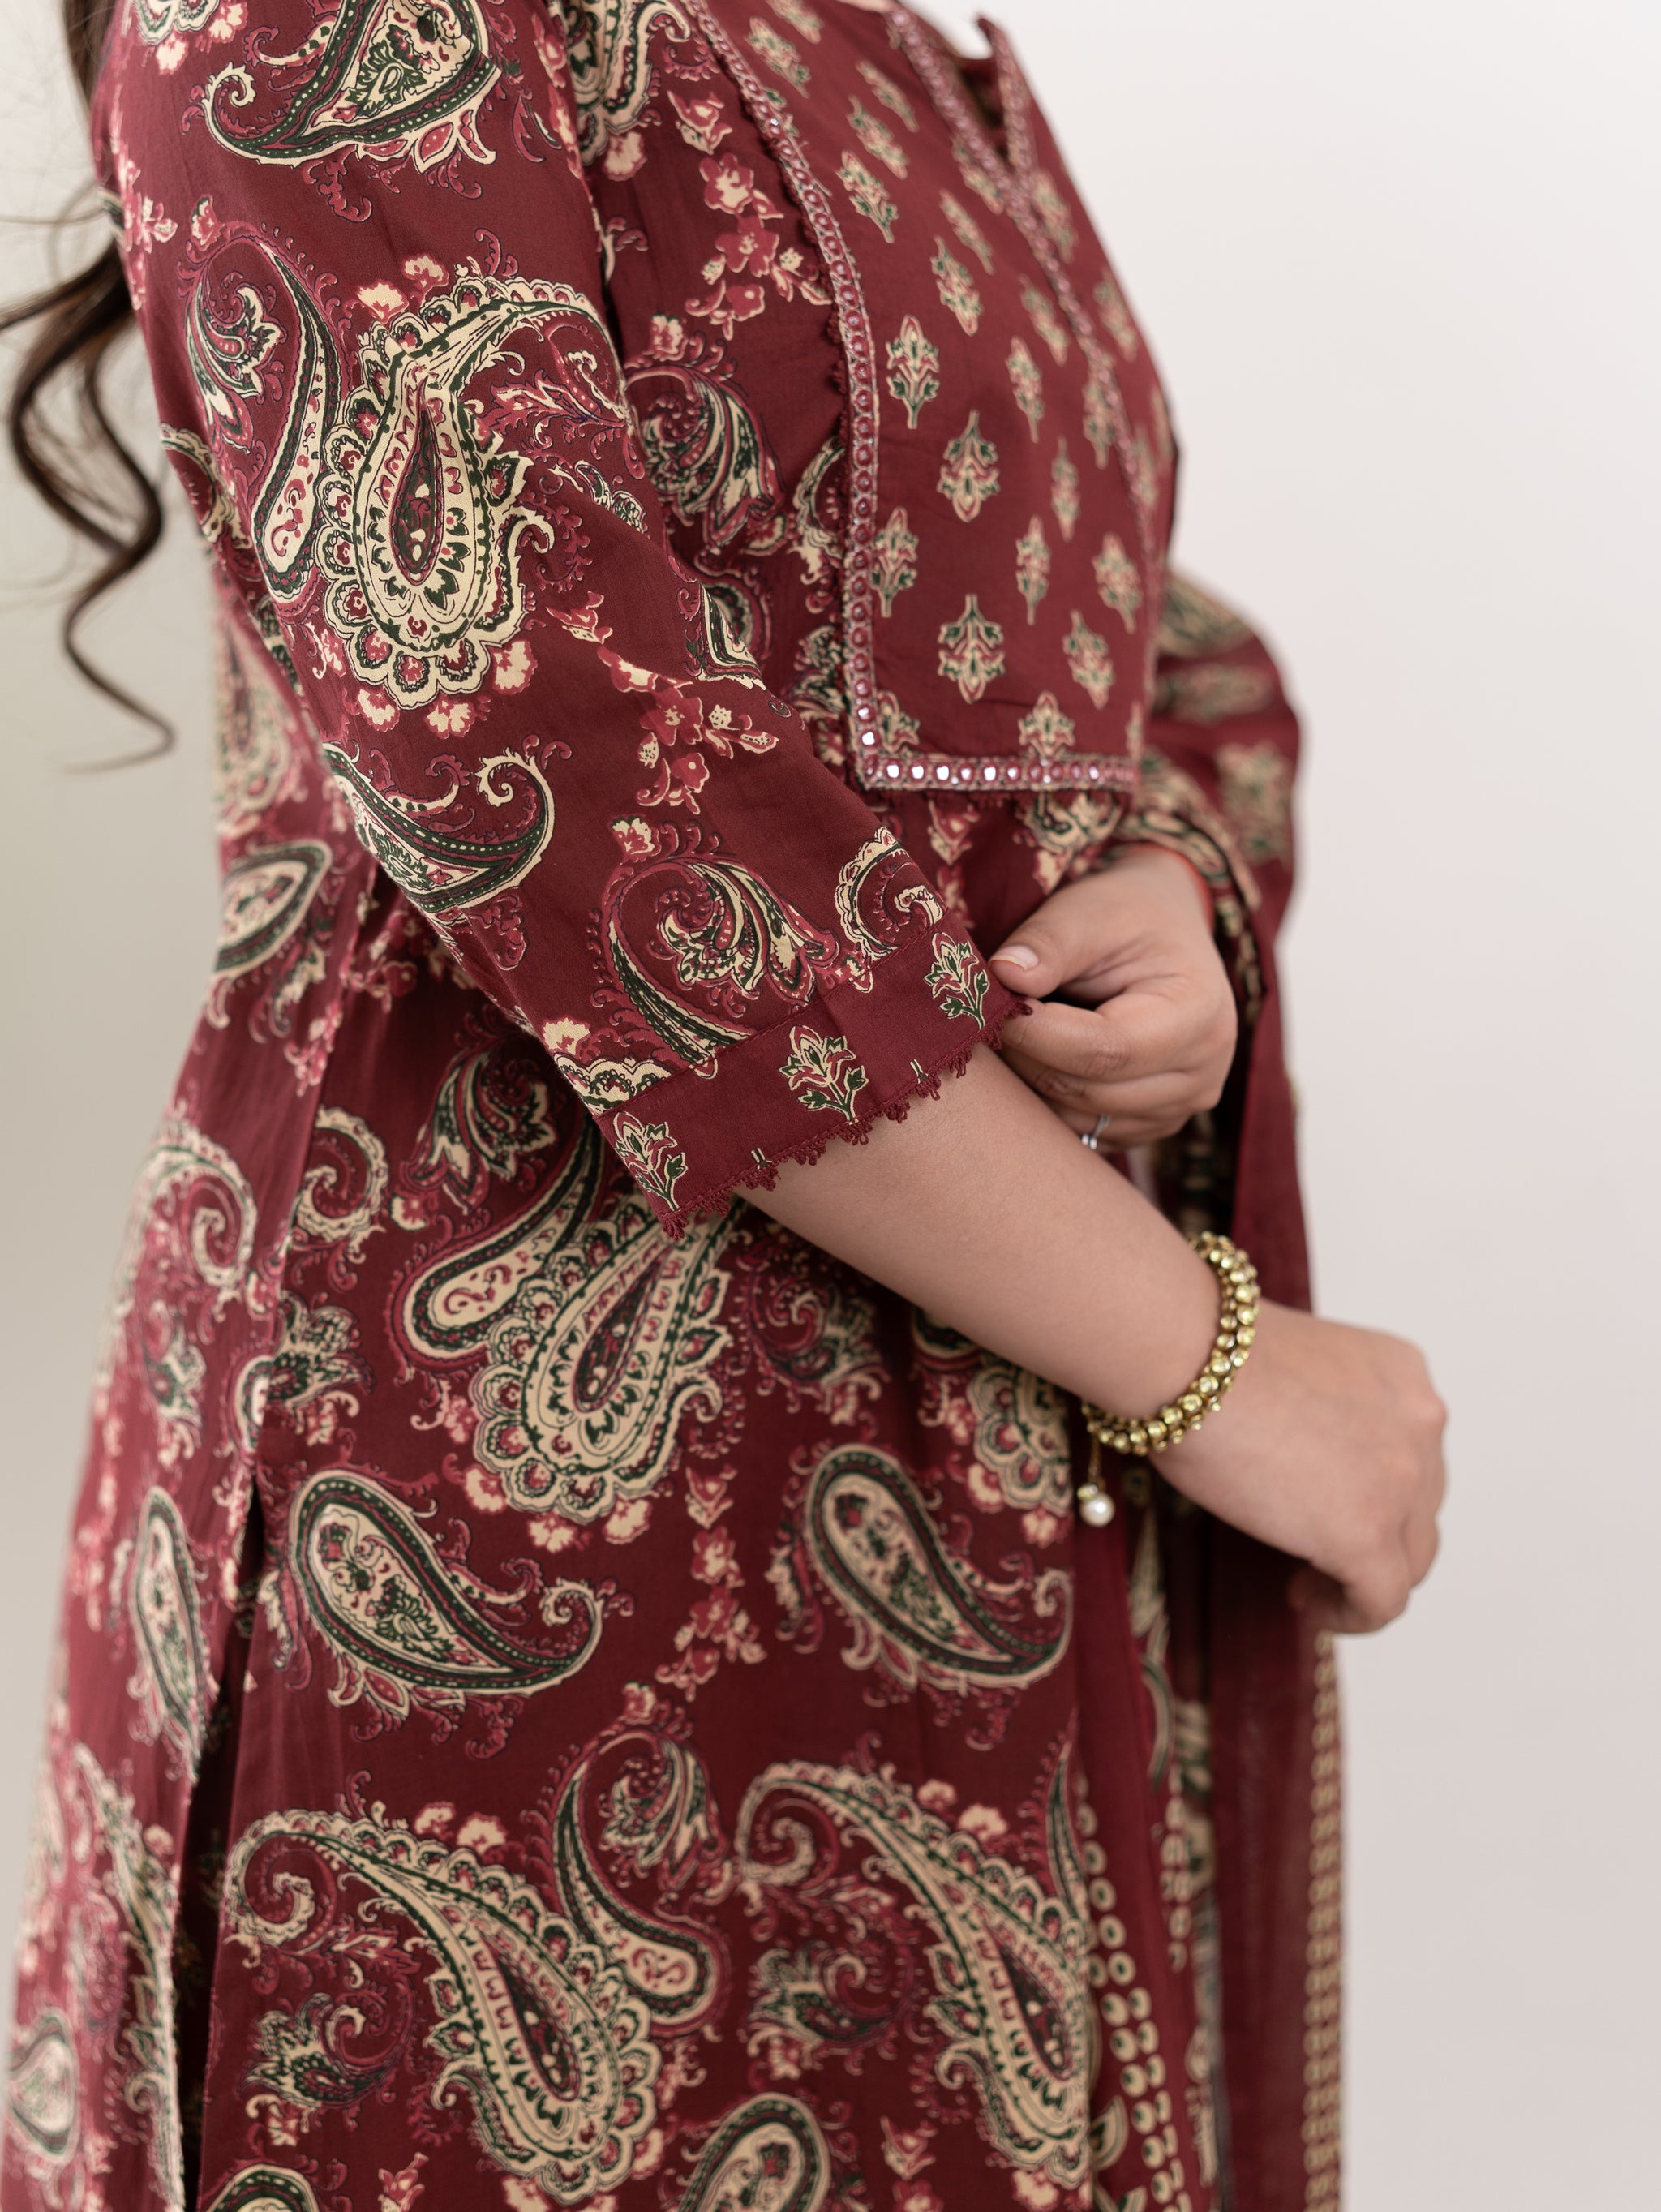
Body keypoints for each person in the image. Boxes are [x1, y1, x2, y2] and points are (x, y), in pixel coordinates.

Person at [0, 2, 1445, 2207]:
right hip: (531, 1512)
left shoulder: (867, 30)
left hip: (1015, 1452)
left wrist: (1154, 866)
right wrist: (1210, 1365)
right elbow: (539, 743)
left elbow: (1141, 643)